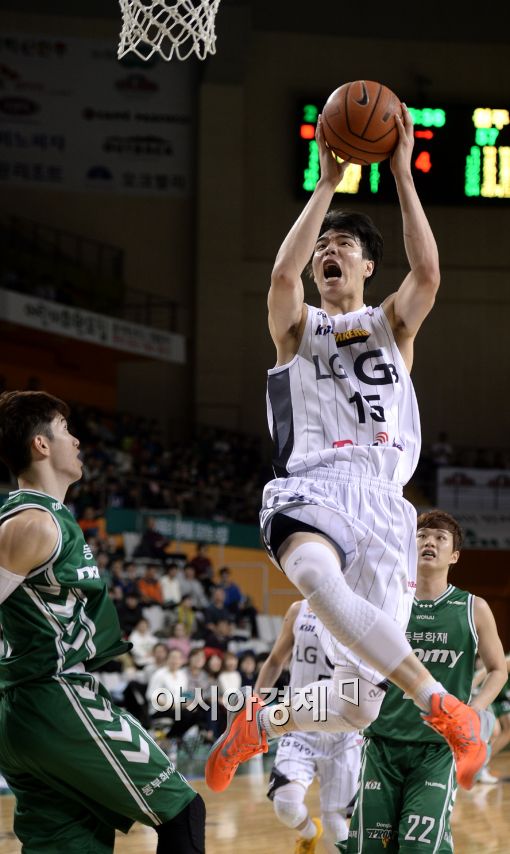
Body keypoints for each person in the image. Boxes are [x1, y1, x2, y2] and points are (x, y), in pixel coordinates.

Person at [205, 107, 494, 794]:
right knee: (314, 581)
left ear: (366, 265)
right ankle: (442, 705)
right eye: (322, 246)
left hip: (384, 505)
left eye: (343, 245)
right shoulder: (296, 325)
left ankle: (262, 723)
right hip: (313, 484)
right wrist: (326, 186)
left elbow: (428, 274)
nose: (329, 251)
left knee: (358, 705)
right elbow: (279, 281)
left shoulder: (390, 324)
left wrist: (401, 172)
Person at [0, 390, 205, 853]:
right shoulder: (32, 522)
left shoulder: (41, 517)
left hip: (28, 710)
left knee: (75, 844)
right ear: (41, 445)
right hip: (53, 697)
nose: (76, 441)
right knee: (182, 811)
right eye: (65, 430)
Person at [342, 510, 506, 853]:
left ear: (454, 555)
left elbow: (497, 669)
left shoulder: (473, 608)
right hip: (382, 744)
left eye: (439, 538)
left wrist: (473, 711)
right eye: (422, 536)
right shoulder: (388, 604)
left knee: (418, 848)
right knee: (369, 849)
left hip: (437, 751)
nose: (429, 542)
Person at [256, 600, 362, 853]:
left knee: (336, 822)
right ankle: (309, 832)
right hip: (299, 724)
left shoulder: (359, 609)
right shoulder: (298, 609)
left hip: (343, 730)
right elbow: (274, 661)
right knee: (286, 806)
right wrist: (254, 704)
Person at [472, 651, 510, 783]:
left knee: (501, 730)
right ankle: (477, 767)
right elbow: (484, 672)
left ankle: (480, 765)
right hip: (482, 691)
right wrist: (472, 685)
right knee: (494, 731)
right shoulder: (504, 661)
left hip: (497, 694)